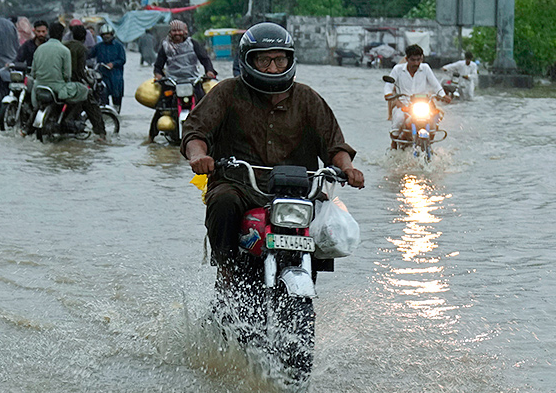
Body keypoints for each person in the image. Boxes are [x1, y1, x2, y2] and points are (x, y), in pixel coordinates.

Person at [181, 22, 364, 275]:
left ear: (290, 61)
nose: (273, 67)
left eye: (280, 60)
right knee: (223, 200)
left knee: (325, 221)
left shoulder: (307, 98)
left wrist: (348, 168)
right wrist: (199, 156)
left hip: (298, 190)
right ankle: (226, 272)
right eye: (264, 61)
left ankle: (307, 272)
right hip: (241, 185)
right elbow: (195, 132)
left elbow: (334, 145)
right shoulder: (227, 92)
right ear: (248, 61)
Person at [31, 22, 107, 142]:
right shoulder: (69, 49)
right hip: (60, 86)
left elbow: (33, 72)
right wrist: (88, 82)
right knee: (87, 96)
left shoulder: (41, 48)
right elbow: (69, 74)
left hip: (39, 86)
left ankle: (26, 130)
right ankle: (100, 132)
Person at [383, 44, 444, 133]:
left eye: (418, 60)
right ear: (407, 59)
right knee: (398, 120)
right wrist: (388, 94)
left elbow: (436, 85)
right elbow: (388, 86)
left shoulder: (425, 68)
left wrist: (443, 95)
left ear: (422, 59)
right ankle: (394, 142)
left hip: (423, 105)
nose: (416, 63)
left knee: (434, 121)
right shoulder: (397, 69)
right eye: (413, 60)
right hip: (404, 105)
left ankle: (430, 142)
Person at [90, 21, 126, 111]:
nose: (106, 36)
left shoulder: (119, 46)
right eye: (104, 34)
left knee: (117, 98)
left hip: (116, 77)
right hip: (103, 76)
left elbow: (123, 60)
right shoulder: (98, 46)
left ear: (112, 34)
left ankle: (117, 114)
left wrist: (113, 64)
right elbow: (89, 55)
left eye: (108, 34)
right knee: (103, 99)